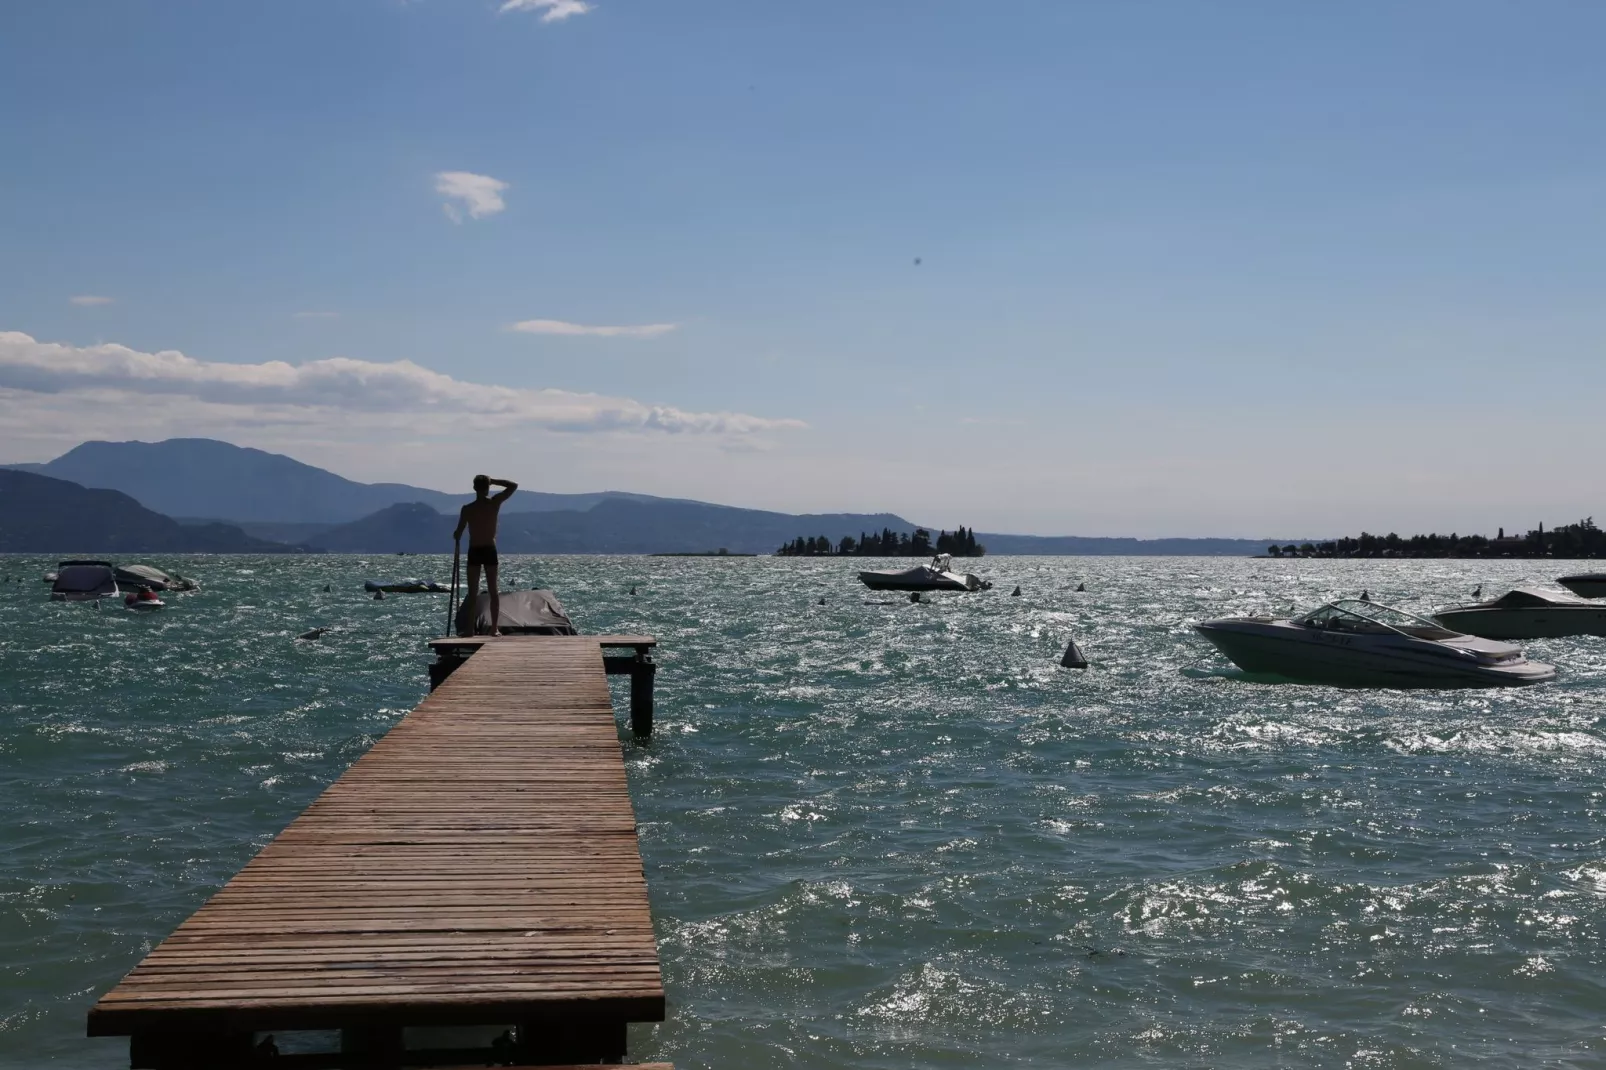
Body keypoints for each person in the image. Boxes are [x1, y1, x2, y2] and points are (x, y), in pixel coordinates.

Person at [454, 474, 518, 636]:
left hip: (476, 550)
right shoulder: (493, 503)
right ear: (487, 488)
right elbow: (513, 486)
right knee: (492, 591)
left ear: (474, 488)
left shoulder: (468, 509)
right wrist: (494, 481)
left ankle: (470, 629)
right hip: (487, 549)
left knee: (474, 591)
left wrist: (457, 535)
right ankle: (493, 629)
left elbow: (458, 532)